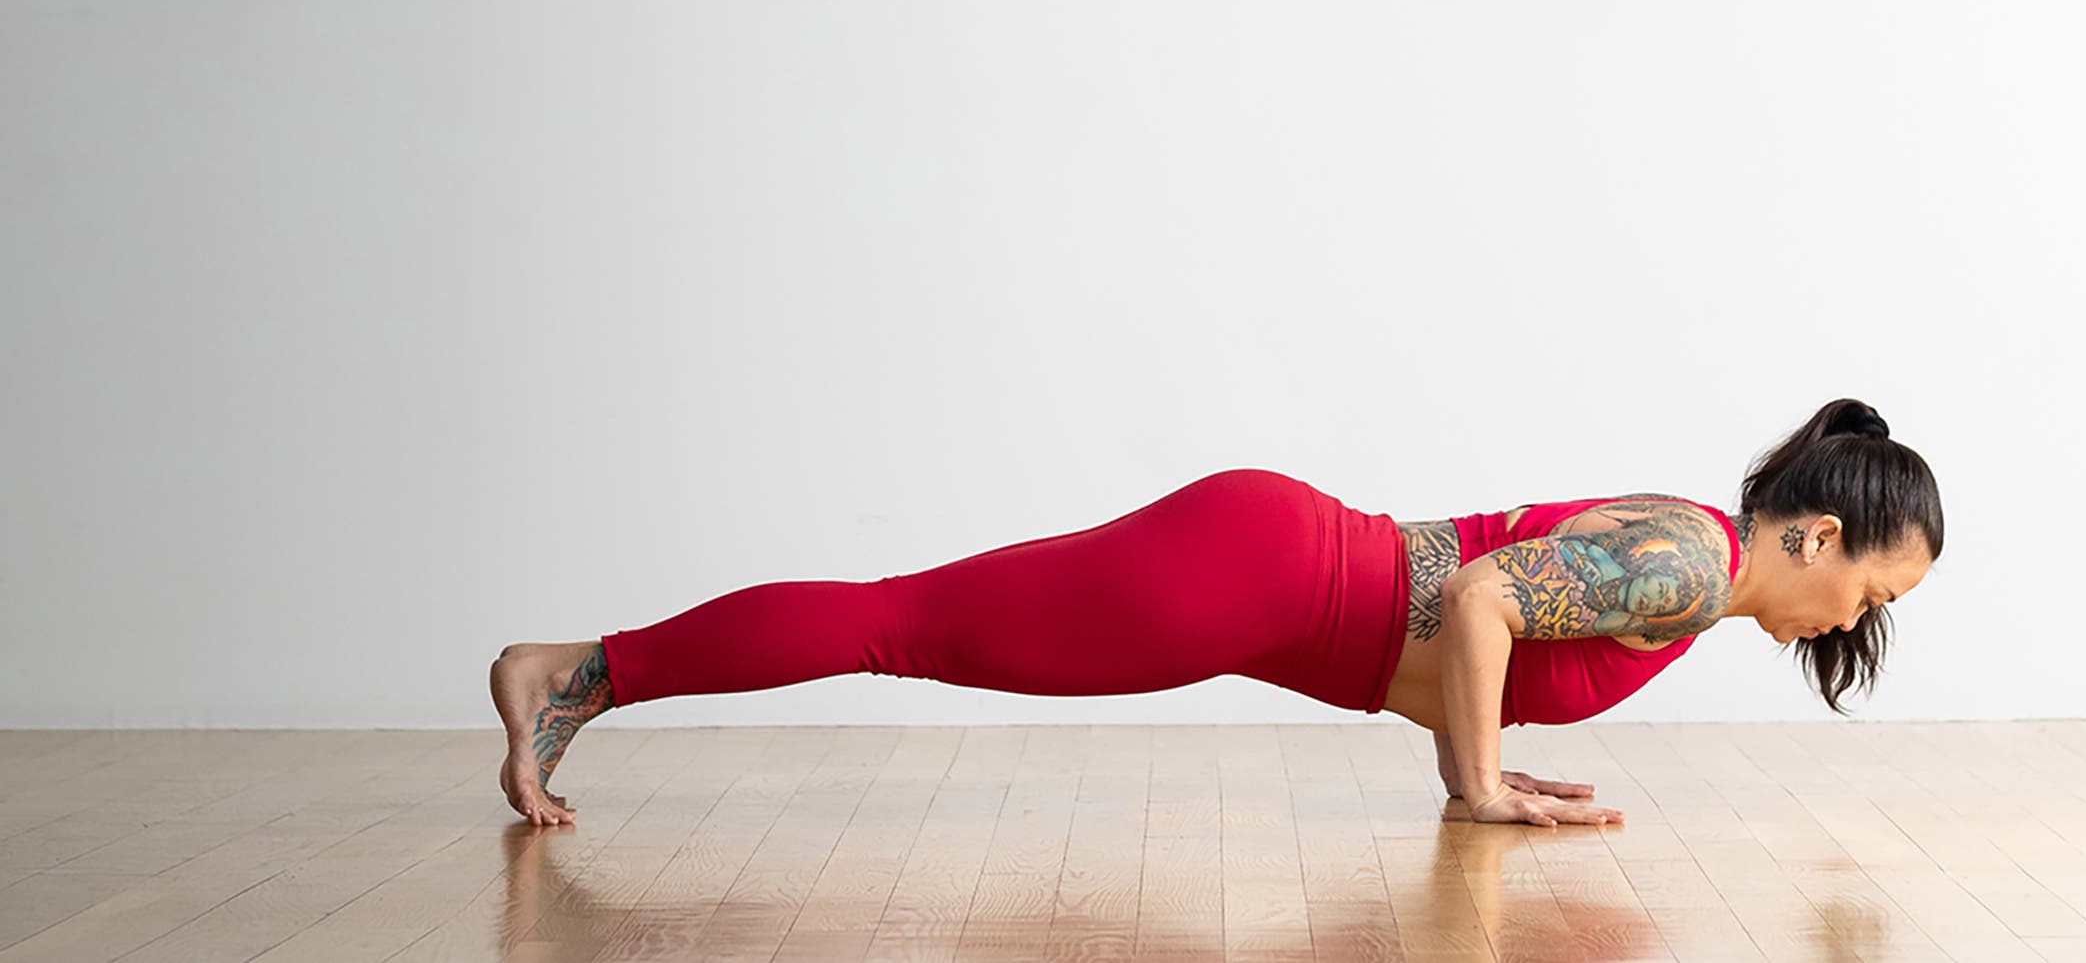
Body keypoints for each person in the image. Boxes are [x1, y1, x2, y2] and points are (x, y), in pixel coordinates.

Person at [488, 397, 1942, 828]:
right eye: (1869, 591)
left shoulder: (1684, 566)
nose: (1848, 622)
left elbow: (1472, 626)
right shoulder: (1686, 562)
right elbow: (1484, 595)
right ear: (1820, 535)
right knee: (899, 625)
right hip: (1256, 575)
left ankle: (588, 672)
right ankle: (580, 672)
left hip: (1262, 576)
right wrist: (1479, 781)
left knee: (906, 621)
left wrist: (1484, 753)